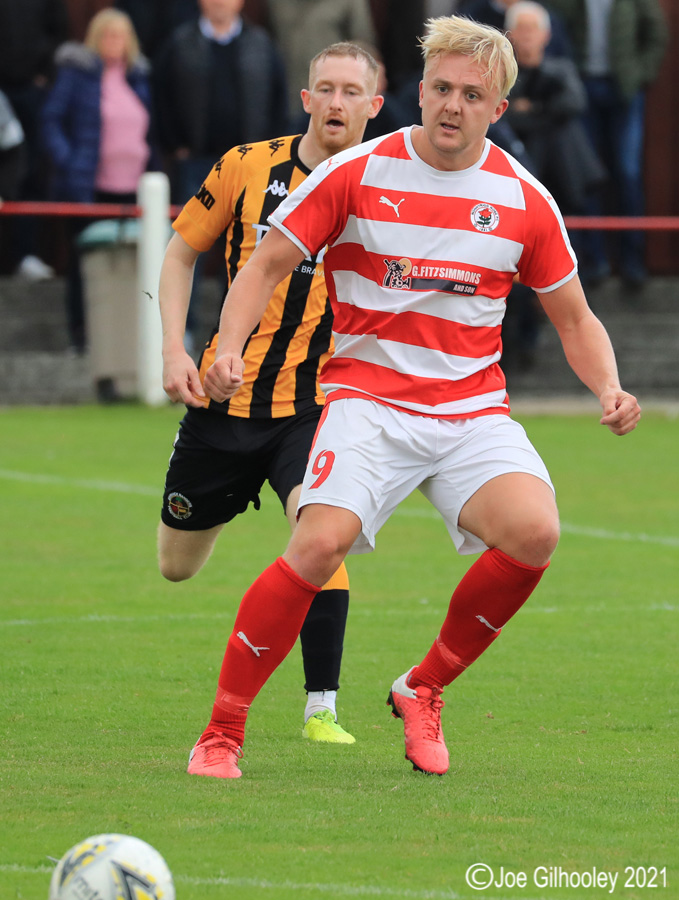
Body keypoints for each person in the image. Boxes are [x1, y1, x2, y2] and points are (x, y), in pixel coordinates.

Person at [185, 15, 640, 780]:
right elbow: (263, 266)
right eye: (441, 88)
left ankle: (422, 688)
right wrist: (227, 347)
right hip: (366, 402)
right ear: (419, 91)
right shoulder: (357, 173)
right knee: (316, 546)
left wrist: (608, 386)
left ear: (498, 109)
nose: (452, 105)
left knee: (534, 533)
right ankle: (221, 732)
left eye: (472, 95)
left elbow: (573, 316)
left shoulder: (522, 198)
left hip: (469, 411)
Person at [158, 42, 384, 747]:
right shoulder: (246, 165)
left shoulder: (387, 188)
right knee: (175, 567)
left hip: (314, 406)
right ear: (306, 98)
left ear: (374, 106)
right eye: (326, 89)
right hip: (222, 404)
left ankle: (321, 708)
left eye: (352, 91)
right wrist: (173, 351)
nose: (337, 102)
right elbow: (180, 253)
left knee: (323, 535)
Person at [153, 0, 289, 351]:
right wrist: (175, 145)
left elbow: (278, 99)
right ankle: (182, 330)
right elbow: (160, 96)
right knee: (187, 247)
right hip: (197, 163)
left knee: (247, 251)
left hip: (254, 166)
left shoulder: (262, 44)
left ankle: (237, 334)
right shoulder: (179, 43)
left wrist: (274, 152)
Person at [41, 8, 157, 358]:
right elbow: (51, 120)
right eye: (107, 35)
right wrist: (69, 161)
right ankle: (81, 334)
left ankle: (127, 337)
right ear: (95, 38)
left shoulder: (139, 78)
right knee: (85, 264)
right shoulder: (77, 75)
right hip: (90, 187)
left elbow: (151, 130)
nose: (113, 42)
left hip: (134, 187)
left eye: (119, 35)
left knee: (133, 264)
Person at [547, 0, 667, 288]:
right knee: (588, 175)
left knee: (627, 173)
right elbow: (555, 25)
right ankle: (592, 259)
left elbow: (657, 33)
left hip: (623, 88)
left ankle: (633, 260)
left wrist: (641, 73)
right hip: (583, 88)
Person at [0, 0, 69, 280]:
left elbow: (59, 30)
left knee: (29, 173)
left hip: (31, 89)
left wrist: (44, 73)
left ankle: (24, 254)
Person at [264, 0, 377, 118]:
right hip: (287, 98)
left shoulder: (350, 2)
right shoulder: (276, 3)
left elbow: (363, 50)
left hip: (334, 102)